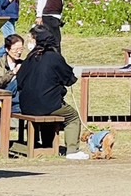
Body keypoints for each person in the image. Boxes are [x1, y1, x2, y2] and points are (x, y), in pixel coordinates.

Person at [15, 24, 88, 158]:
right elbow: (69, 78)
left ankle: (47, 145)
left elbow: (19, 80)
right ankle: (73, 150)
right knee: (72, 117)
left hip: (26, 104)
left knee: (49, 112)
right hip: (48, 104)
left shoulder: (30, 57)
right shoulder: (54, 57)